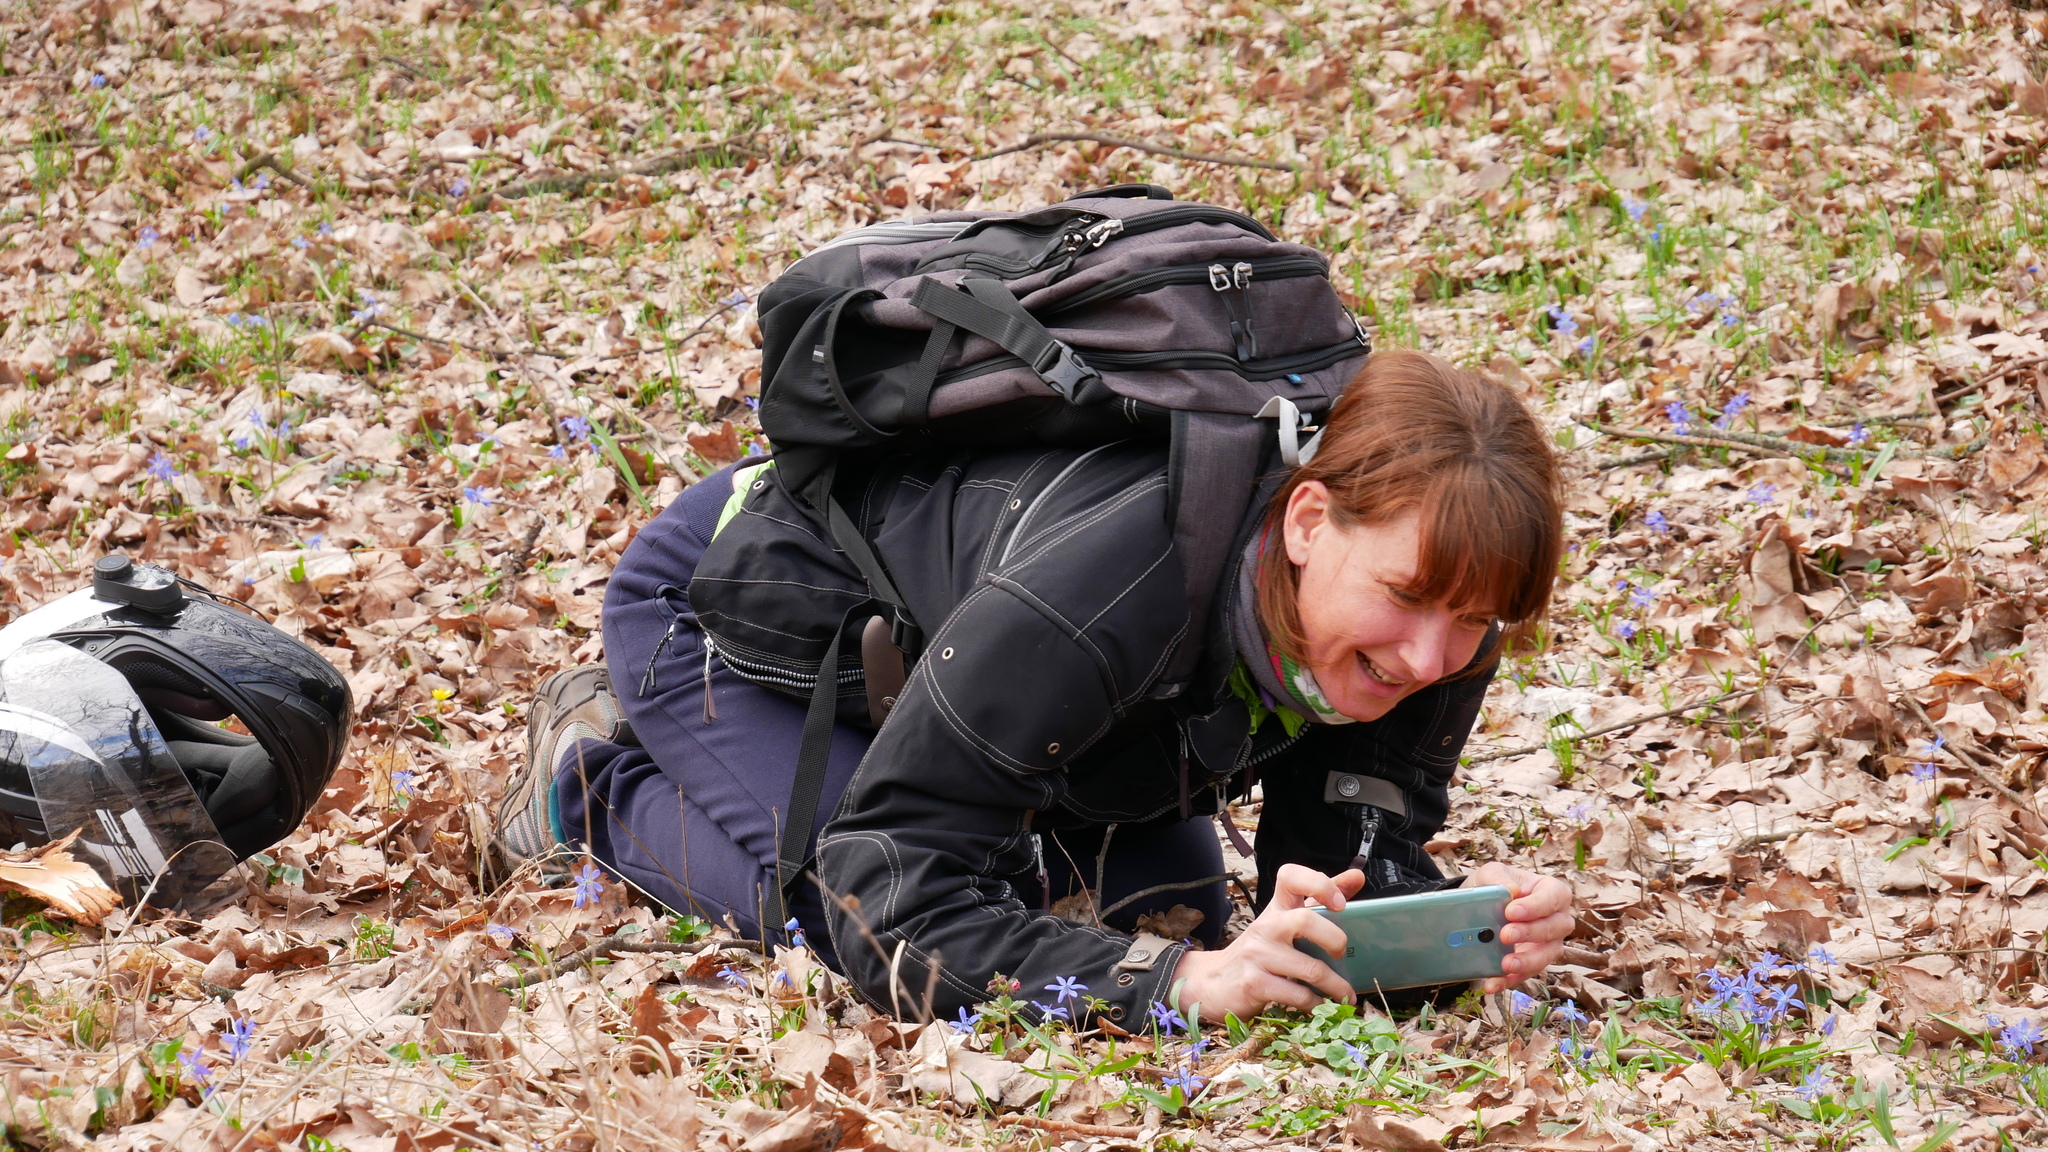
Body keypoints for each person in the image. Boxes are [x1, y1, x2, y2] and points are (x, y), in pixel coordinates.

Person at [494, 349, 1575, 1026]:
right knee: (837, 910)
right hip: (739, 602)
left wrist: (1445, 936)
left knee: (1167, 921)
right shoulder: (1112, 586)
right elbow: (888, 897)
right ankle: (585, 778)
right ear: (1303, 523)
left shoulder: (1438, 611)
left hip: (991, 664)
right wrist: (1182, 986)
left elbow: (1335, 859)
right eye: (1408, 600)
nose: (1432, 660)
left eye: (1475, 623)